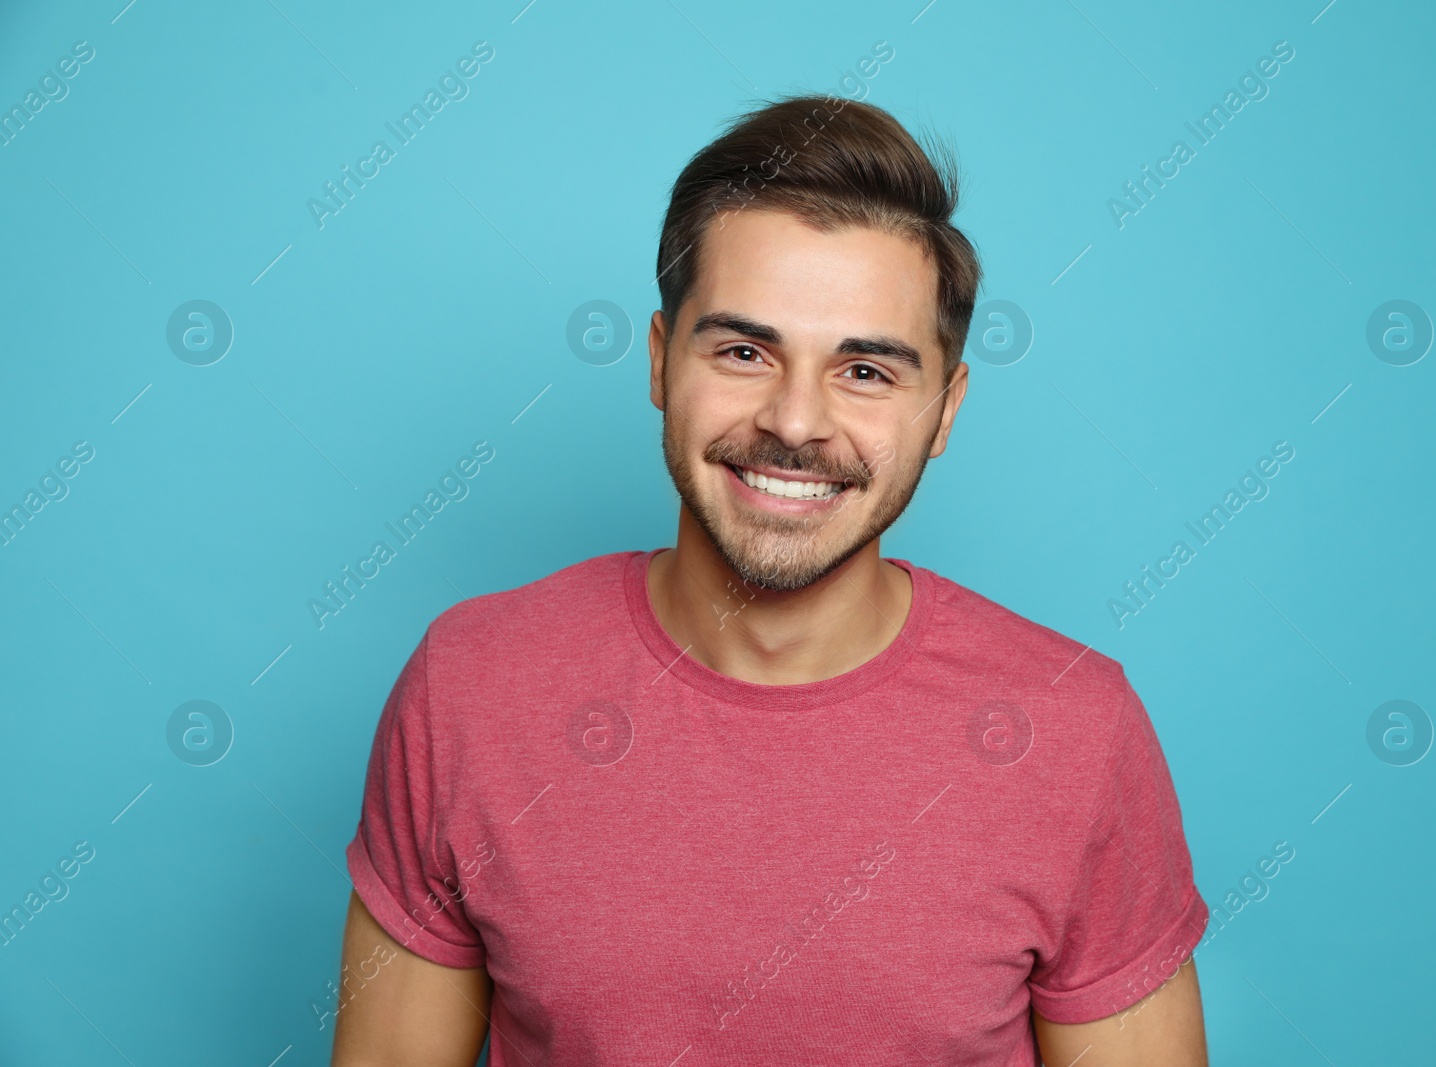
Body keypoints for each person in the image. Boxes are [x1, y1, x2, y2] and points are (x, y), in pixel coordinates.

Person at [330, 93, 1209, 1067]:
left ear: (945, 410)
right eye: (745, 351)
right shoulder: (471, 685)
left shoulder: (1076, 729)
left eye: (866, 371)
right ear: (662, 360)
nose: (795, 420)